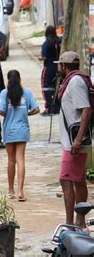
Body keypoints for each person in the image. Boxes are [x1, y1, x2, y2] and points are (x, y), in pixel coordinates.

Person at [56, 51, 91, 227]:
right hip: (72, 140)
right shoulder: (72, 80)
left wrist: (77, 140)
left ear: (64, 66)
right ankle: (79, 222)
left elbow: (86, 109)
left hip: (74, 142)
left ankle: (71, 222)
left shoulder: (75, 82)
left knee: (66, 179)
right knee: (77, 179)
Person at [0, 70, 39, 201]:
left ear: (8, 80)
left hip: (9, 130)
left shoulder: (4, 93)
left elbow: (0, 110)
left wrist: (9, 115)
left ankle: (11, 190)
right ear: (20, 79)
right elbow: (37, 109)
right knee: (20, 159)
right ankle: (21, 191)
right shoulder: (27, 93)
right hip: (22, 130)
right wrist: (26, 114)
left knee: (11, 160)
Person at [39, 25, 60, 115]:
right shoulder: (59, 41)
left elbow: (44, 57)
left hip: (48, 68)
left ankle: (49, 108)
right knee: (56, 87)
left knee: (46, 87)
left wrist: (39, 58)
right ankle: (56, 108)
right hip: (58, 67)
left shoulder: (47, 43)